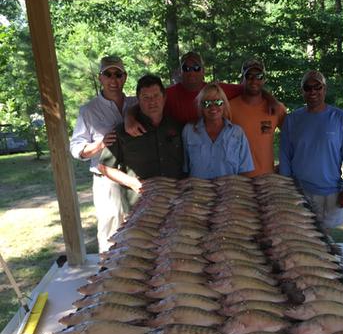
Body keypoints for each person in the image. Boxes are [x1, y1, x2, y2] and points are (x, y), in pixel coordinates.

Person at [70, 55, 135, 253]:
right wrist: (99, 144)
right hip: (106, 180)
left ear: (125, 77)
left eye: (118, 74)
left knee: (140, 231)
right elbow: (75, 148)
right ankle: (106, 276)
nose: (113, 80)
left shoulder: (135, 104)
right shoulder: (88, 111)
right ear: (100, 78)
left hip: (135, 177)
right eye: (108, 74)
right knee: (111, 232)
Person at [279, 70, 343, 229]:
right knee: (301, 240)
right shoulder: (292, 119)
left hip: (331, 192)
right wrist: (286, 188)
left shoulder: (339, 117)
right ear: (302, 92)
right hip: (299, 192)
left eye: (317, 87)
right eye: (308, 88)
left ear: (324, 89)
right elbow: (285, 156)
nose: (313, 91)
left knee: (326, 241)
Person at [98, 74, 184, 207]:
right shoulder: (123, 131)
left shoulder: (178, 127)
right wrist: (132, 183)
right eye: (146, 97)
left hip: (176, 202)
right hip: (140, 204)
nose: (152, 102)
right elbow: (104, 167)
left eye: (156, 96)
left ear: (164, 97)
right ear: (138, 100)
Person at [125, 51, 242, 133]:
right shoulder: (168, 94)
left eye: (196, 68)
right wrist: (129, 119)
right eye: (186, 68)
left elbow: (251, 90)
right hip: (181, 150)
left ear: (203, 71)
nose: (191, 72)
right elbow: (141, 105)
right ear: (180, 72)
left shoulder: (216, 91)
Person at [182, 82, 254, 179]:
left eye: (218, 102)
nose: (213, 107)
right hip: (197, 192)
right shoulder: (189, 131)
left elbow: (245, 171)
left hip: (230, 192)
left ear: (224, 105)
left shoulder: (237, 133)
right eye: (207, 103)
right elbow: (184, 169)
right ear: (201, 107)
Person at [230, 58, 286, 177]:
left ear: (264, 79)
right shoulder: (228, 107)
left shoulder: (277, 108)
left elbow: (293, 138)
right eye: (249, 76)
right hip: (237, 181)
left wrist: (285, 164)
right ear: (242, 79)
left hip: (267, 179)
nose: (254, 80)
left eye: (259, 76)